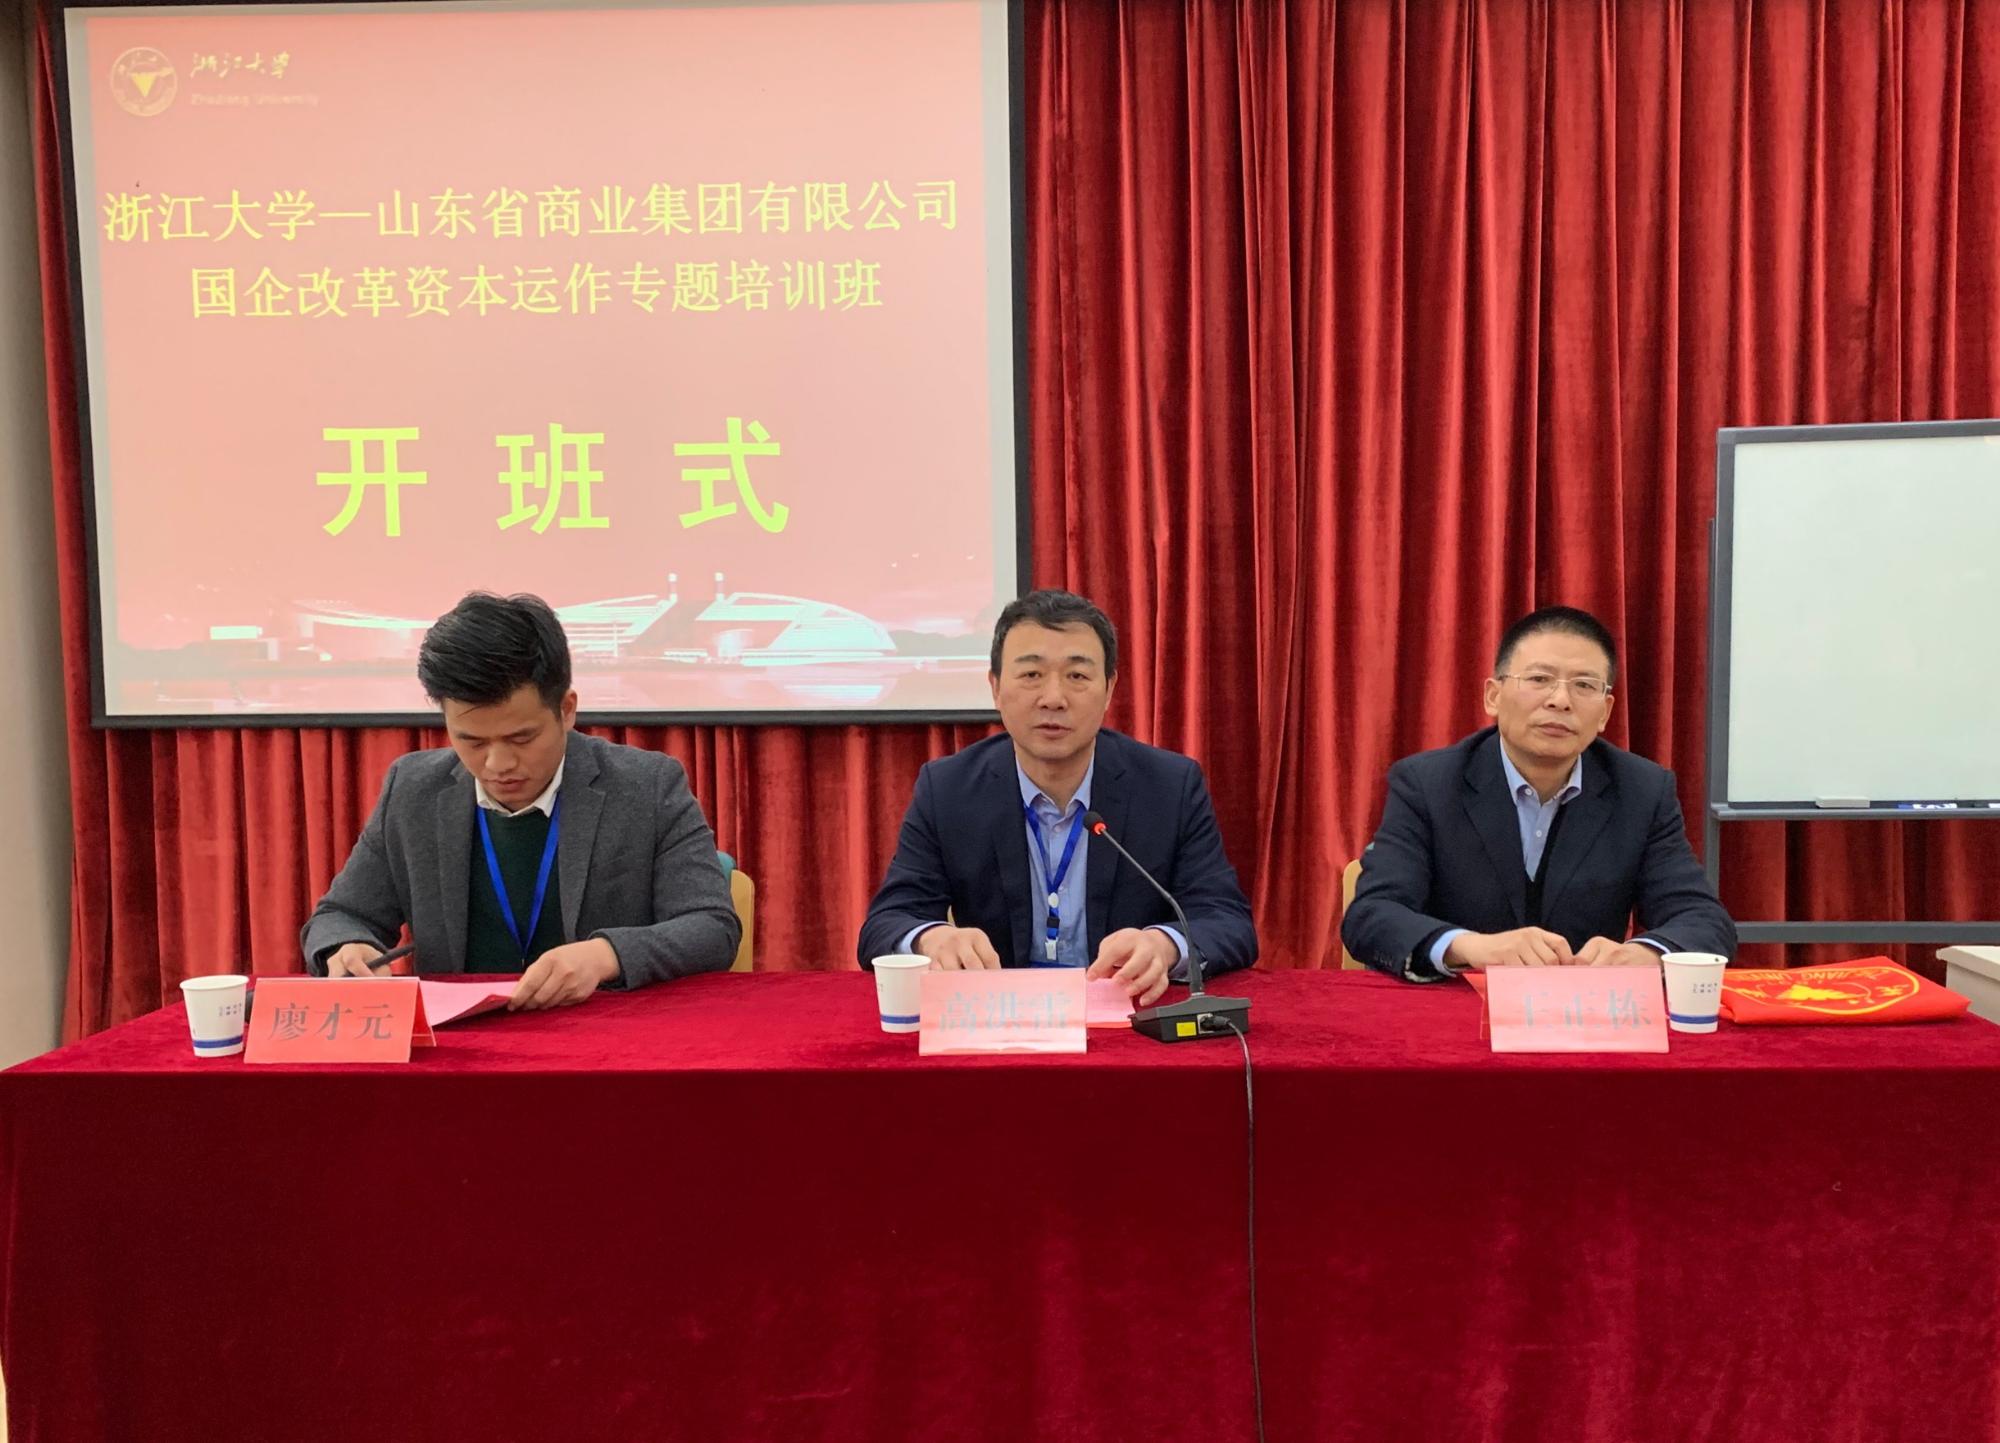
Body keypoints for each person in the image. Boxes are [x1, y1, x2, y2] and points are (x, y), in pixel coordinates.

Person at [300, 591, 740, 1007]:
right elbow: (340, 916)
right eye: (471, 741)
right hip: (462, 1042)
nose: (498, 764)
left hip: (605, 1034)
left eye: (522, 738)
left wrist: (606, 955)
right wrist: (347, 946)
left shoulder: (646, 785)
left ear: (566, 710)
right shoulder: (414, 790)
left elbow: (711, 926)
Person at [858, 589, 1256, 1005]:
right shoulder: (948, 789)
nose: (1053, 698)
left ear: (1109, 689)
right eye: (1031, 674)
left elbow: (1226, 919)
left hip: (1128, 1017)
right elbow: (887, 922)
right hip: (1000, 1021)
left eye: (1077, 676)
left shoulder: (1169, 786)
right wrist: (932, 938)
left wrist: (1164, 945)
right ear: (995, 687)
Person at [1341, 605, 1735, 980]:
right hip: (1457, 1007)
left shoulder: (1642, 791)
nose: (1559, 701)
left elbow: (1703, 918)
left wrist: (1646, 953)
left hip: (1584, 1014)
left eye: (1584, 686)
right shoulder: (1428, 783)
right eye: (1539, 679)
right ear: (1493, 696)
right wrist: (1472, 947)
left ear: (1604, 712)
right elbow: (1372, 914)